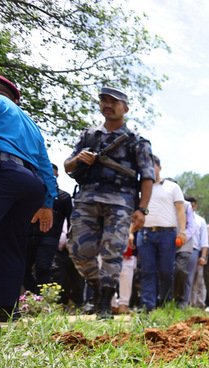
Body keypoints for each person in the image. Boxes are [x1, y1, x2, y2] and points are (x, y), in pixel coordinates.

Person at [64, 86, 154, 319]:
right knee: (79, 251)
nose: (108, 105)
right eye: (104, 100)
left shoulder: (137, 141)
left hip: (120, 202)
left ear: (125, 108)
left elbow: (146, 177)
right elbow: (67, 166)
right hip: (86, 198)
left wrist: (142, 209)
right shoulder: (88, 136)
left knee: (113, 251)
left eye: (114, 102)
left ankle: (104, 301)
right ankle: (96, 288)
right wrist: (78, 159)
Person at [0, 74, 57, 321]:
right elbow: (44, 166)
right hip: (30, 184)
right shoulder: (31, 124)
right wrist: (48, 203)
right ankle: (6, 309)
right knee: (10, 245)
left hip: (0, 171)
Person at [130, 155, 186, 312]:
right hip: (145, 234)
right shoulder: (140, 189)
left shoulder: (172, 187)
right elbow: (133, 213)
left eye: (152, 166)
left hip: (167, 234)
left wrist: (182, 231)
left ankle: (166, 302)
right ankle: (148, 305)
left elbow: (180, 210)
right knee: (147, 270)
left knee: (166, 271)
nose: (149, 169)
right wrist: (130, 232)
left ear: (159, 167)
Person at [24, 164, 73, 295]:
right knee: (22, 269)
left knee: (43, 268)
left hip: (50, 239)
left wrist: (70, 240)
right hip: (27, 237)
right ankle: (33, 297)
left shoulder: (64, 197)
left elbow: (70, 222)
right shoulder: (30, 194)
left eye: (53, 176)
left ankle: (42, 300)